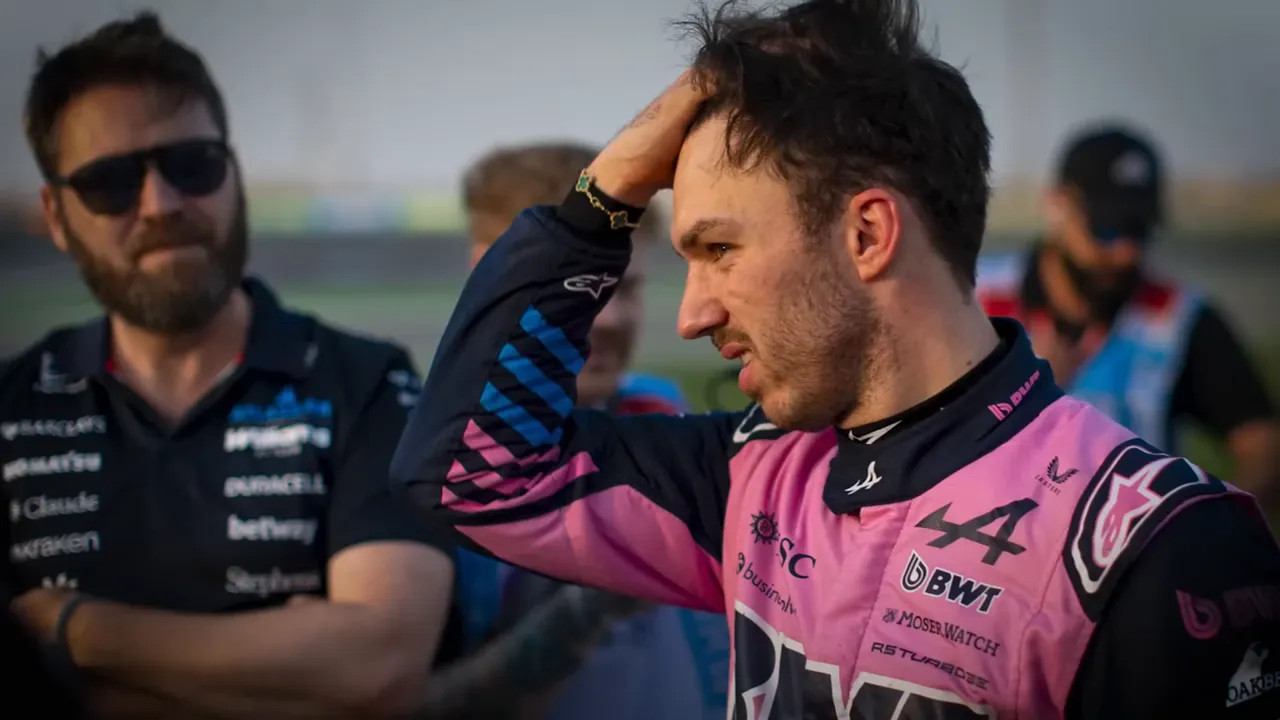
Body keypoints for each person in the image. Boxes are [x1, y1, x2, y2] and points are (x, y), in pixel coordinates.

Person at [390, 0, 1280, 717]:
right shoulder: (748, 480)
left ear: (866, 233)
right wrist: (602, 194)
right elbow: (468, 473)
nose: (693, 313)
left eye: (721, 250)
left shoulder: (1155, 546)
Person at [2, 13, 453, 718]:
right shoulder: (12, 406)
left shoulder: (367, 383)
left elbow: (380, 669)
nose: (162, 204)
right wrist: (289, 669)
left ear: (234, 173)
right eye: (111, 183)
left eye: (192, 166)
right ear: (56, 216)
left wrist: (73, 629)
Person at [422, 142, 729, 719]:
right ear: (487, 279)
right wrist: (597, 603)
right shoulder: (426, 468)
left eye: (629, 286)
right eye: (582, 286)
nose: (610, 316)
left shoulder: (663, 411)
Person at [976, 124, 1279, 503]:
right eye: (1104, 230)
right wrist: (1025, 389)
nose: (1125, 252)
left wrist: (1205, 528)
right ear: (1057, 204)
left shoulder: (1181, 317)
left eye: (1138, 231)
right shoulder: (975, 297)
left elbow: (1263, 444)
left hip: (1131, 556)